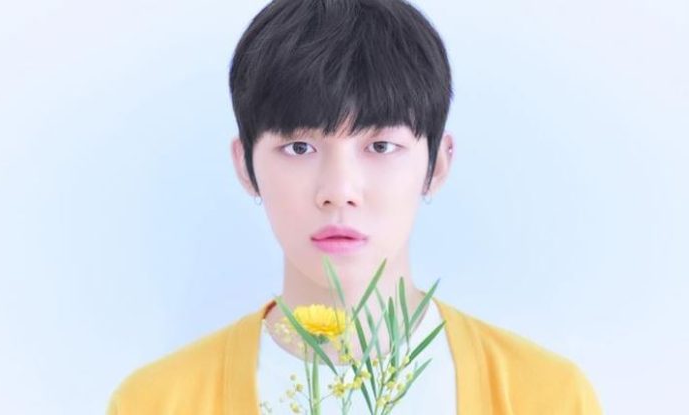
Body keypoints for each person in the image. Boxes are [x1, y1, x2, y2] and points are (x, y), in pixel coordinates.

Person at [106, 0, 603, 413]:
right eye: (299, 147)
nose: (339, 190)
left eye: (381, 146)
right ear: (245, 165)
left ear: (438, 164)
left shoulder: (547, 396)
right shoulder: (155, 402)